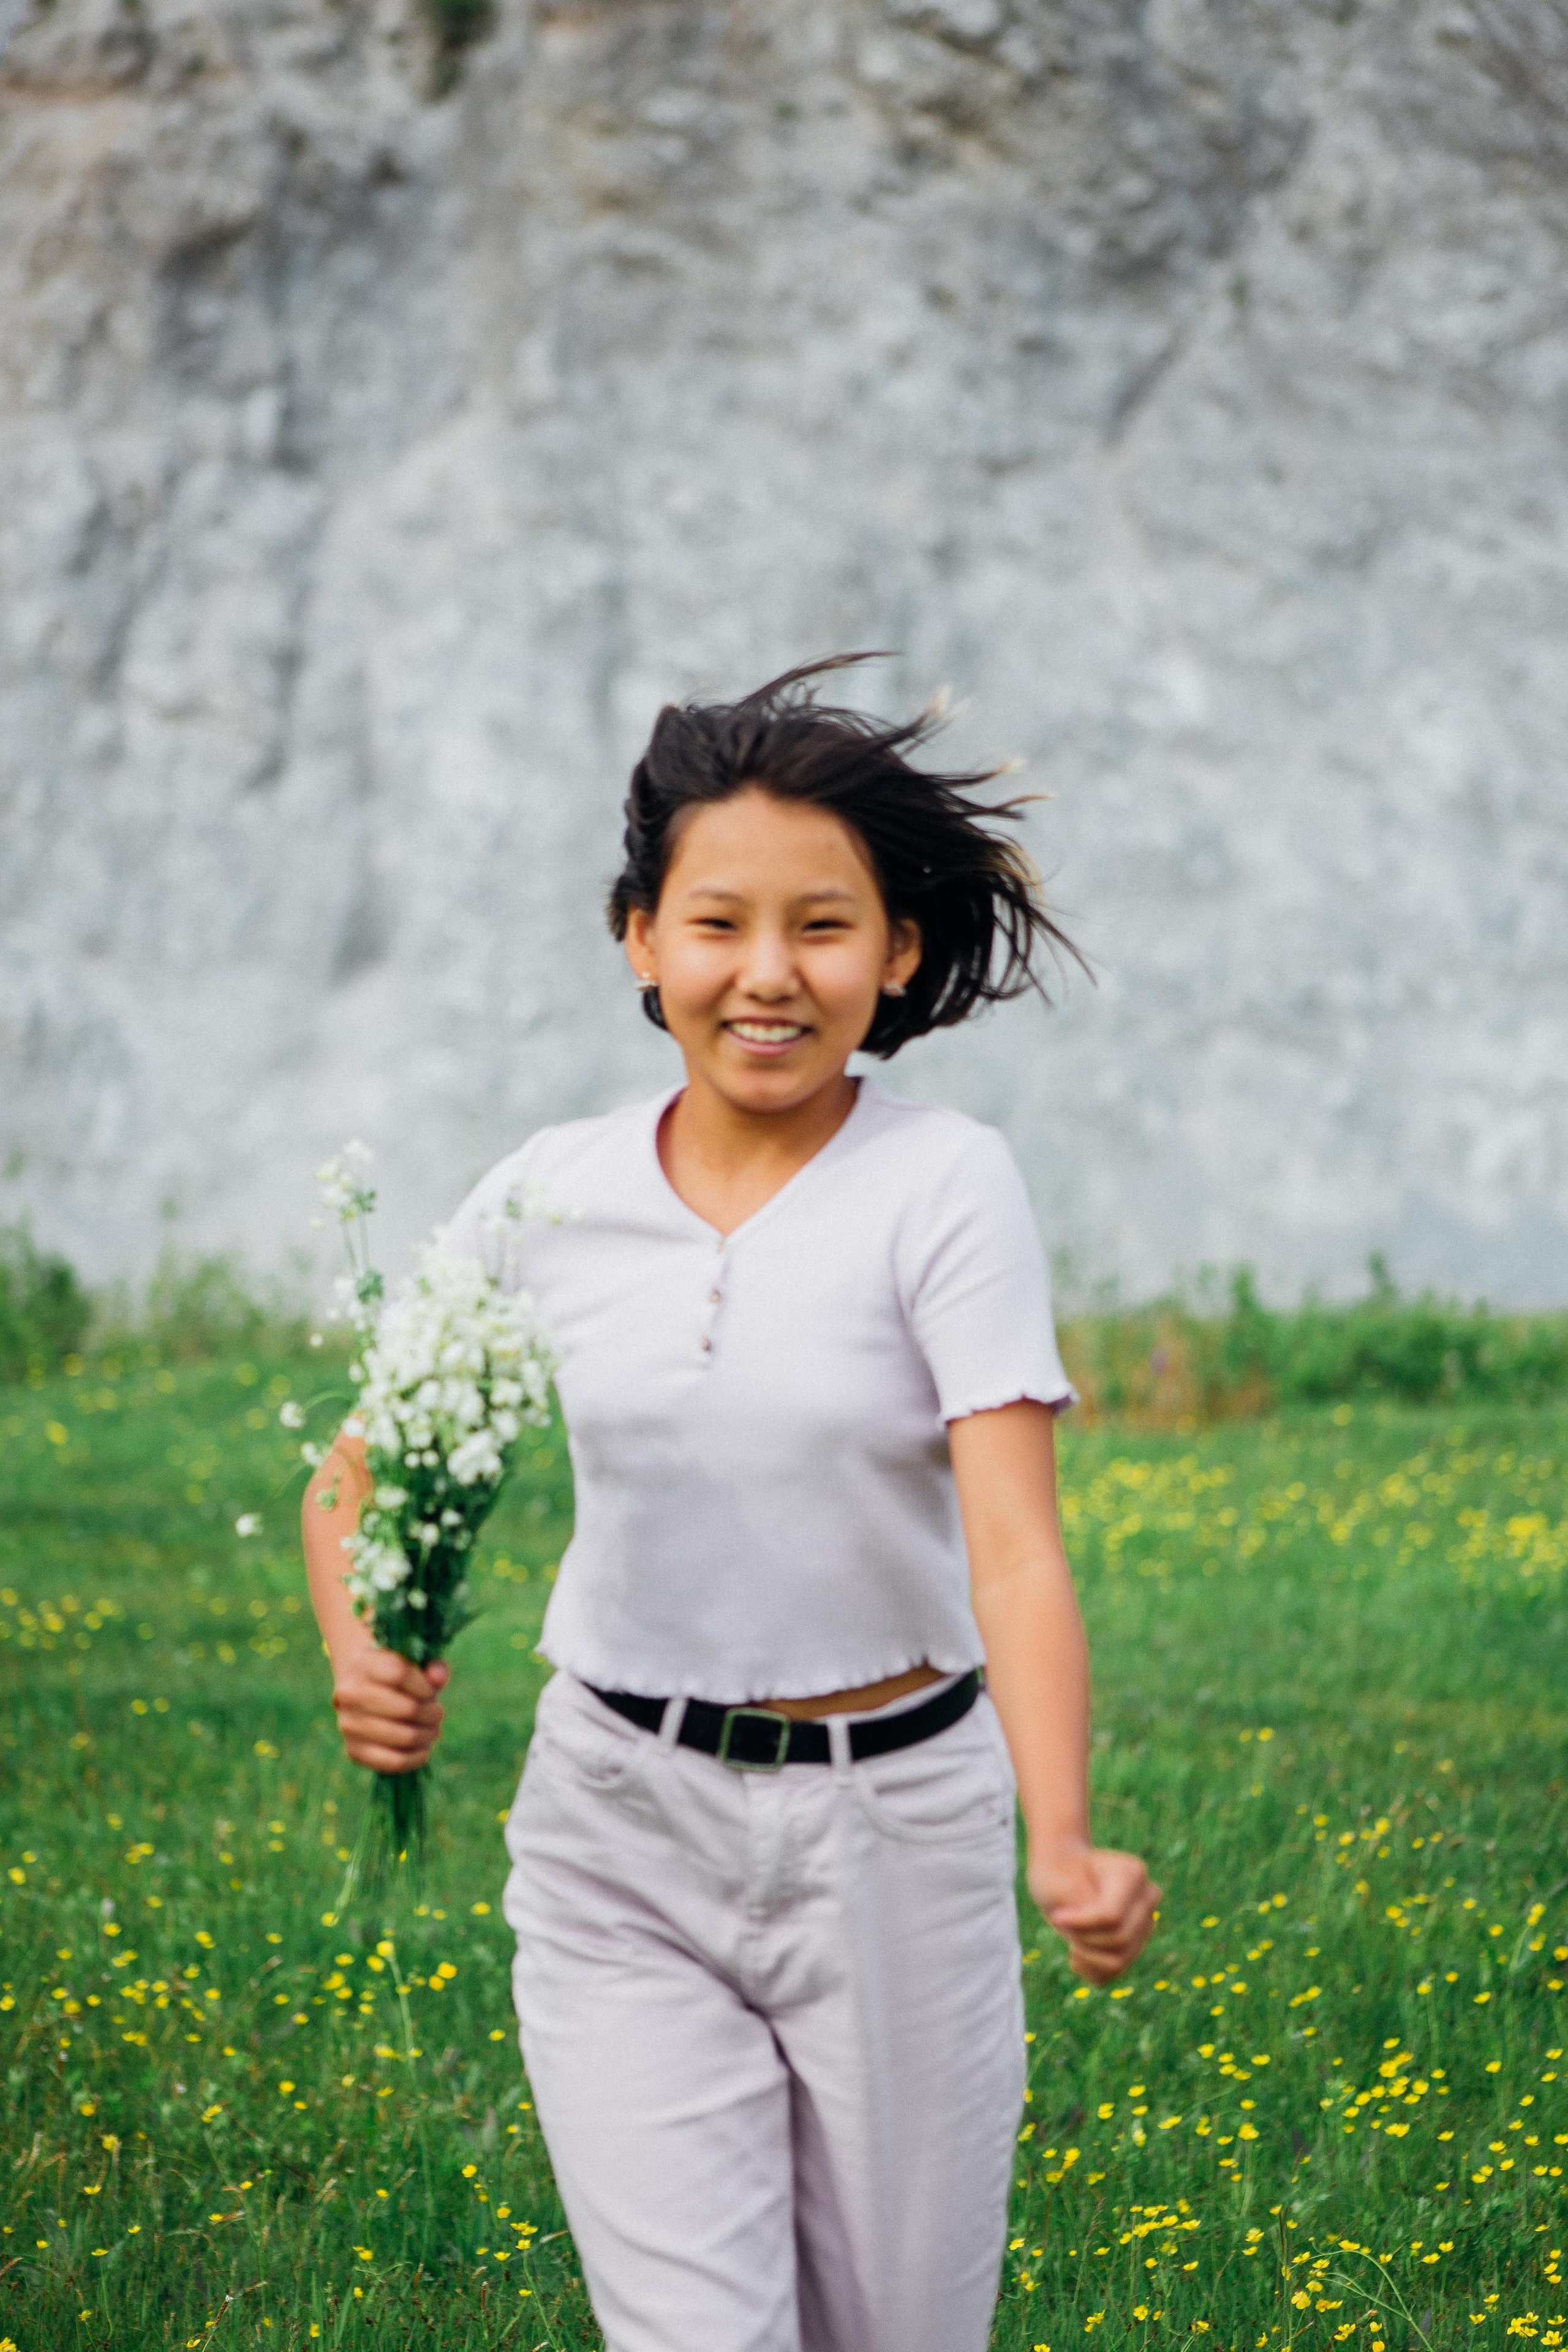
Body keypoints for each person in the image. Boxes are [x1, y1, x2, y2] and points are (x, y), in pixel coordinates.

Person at [303, 656, 1158, 2352]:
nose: (768, 976)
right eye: (718, 924)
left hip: (895, 1836)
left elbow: (1014, 1547)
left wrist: (1058, 1835)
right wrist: (357, 1647)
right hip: (617, 1827)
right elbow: (358, 1467)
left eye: (823, 928)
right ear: (642, 938)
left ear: (897, 953)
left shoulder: (943, 1188)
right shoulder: (551, 1190)